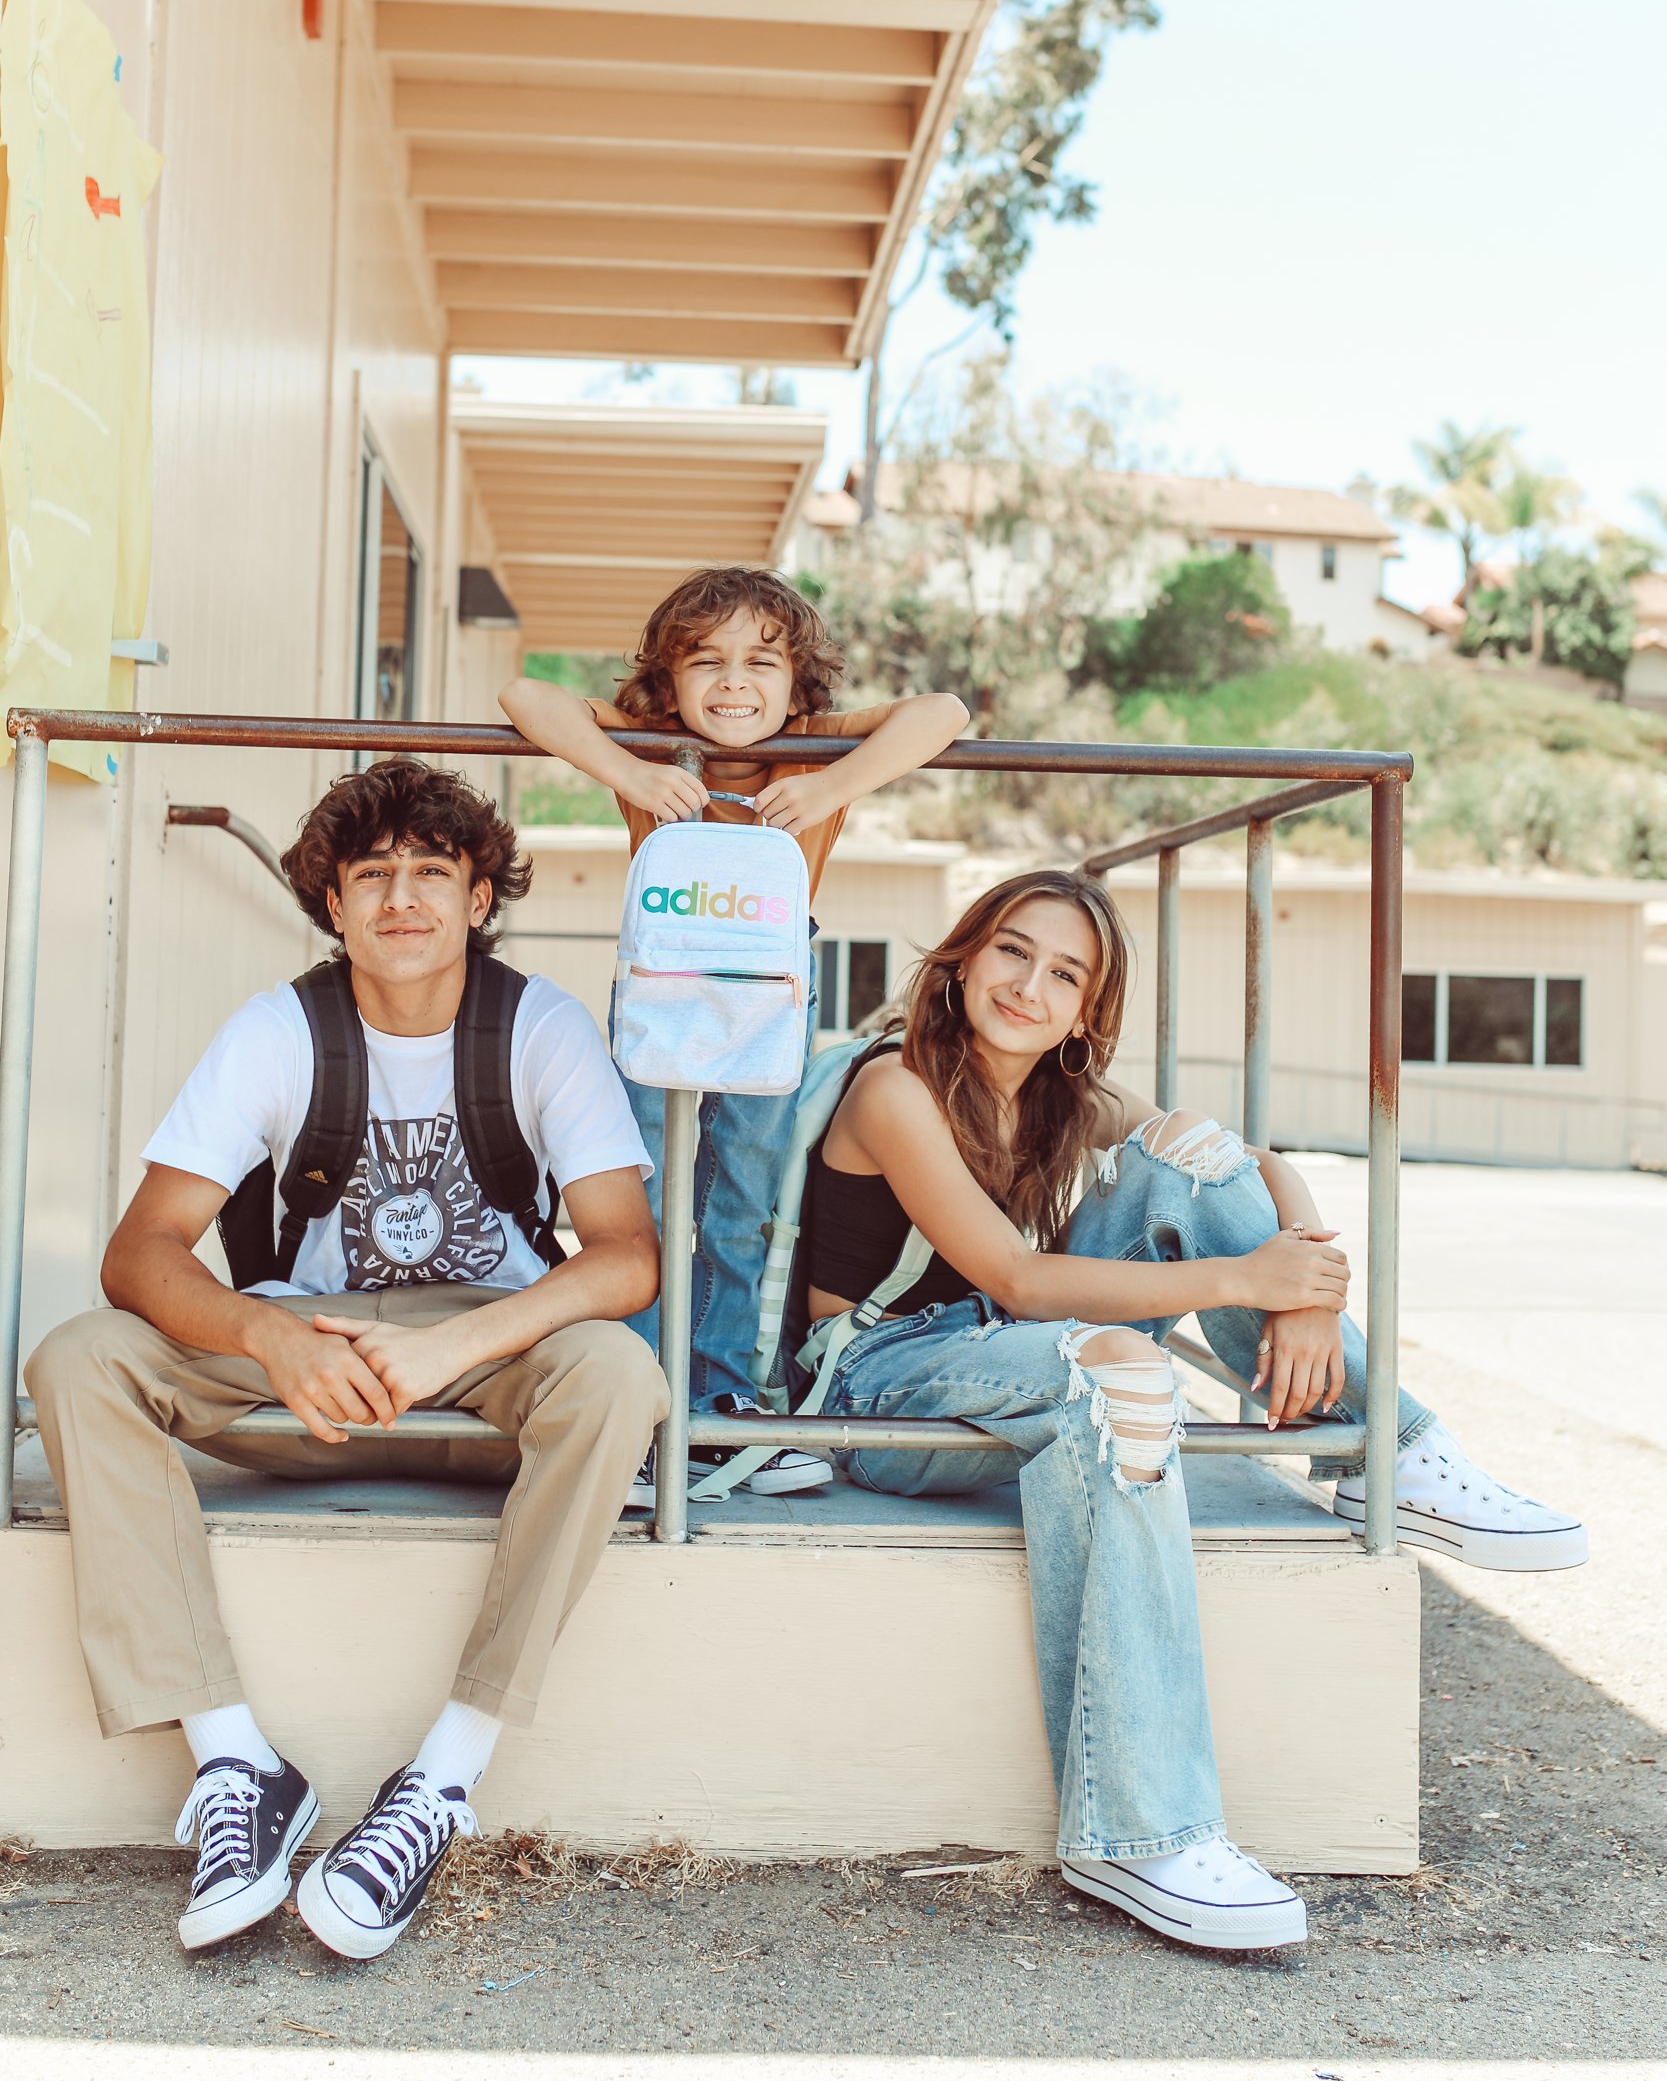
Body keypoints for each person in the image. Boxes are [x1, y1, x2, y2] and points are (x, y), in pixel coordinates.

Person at [801, 868, 1586, 1951]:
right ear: (963, 958)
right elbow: (1020, 1282)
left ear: (1086, 1012)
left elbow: (1245, 1163)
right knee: (1119, 1376)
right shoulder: (895, 1087)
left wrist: (1303, 1279)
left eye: (1063, 972)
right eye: (1011, 951)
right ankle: (1138, 1832)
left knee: (1186, 1162)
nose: (1029, 984)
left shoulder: (1053, 1093)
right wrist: (1243, 1283)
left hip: (990, 1347)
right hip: (876, 1375)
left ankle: (1384, 1447)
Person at [26, 761, 666, 1961]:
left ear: (481, 896)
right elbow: (140, 1253)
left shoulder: (540, 1026)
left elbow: (626, 1257)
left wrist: (456, 1344)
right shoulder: (279, 1028)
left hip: (476, 1354)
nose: (402, 898)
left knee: (619, 1372)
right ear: (331, 903)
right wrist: (266, 1331)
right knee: (78, 1356)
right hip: (303, 1352)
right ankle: (237, 1764)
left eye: (433, 871)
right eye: (370, 876)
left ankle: (438, 1783)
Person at [502, 568, 968, 1503]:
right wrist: (628, 770)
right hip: (661, 981)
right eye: (704, 661)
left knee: (742, 1194)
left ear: (798, 685)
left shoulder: (810, 755)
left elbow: (944, 709)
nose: (732, 682)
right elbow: (525, 694)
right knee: (635, 1190)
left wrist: (837, 781)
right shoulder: (654, 753)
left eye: (761, 661)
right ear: (667, 682)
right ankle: (627, 1400)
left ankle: (714, 1400)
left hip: (769, 990)